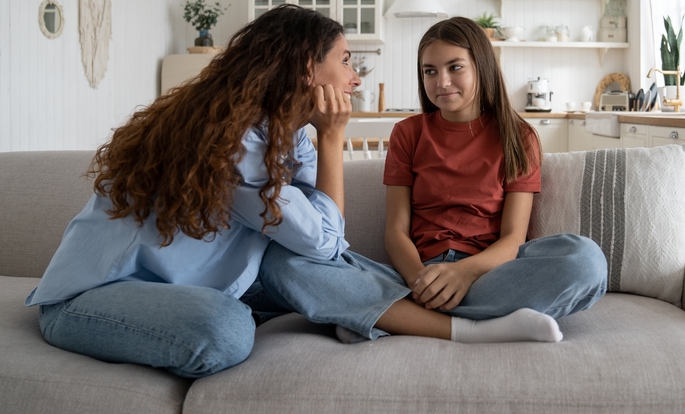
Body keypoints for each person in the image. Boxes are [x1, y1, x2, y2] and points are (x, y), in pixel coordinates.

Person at [25, 4, 362, 378]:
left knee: (299, 267)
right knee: (227, 330)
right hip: (91, 299)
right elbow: (324, 240)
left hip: (186, 289)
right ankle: (352, 311)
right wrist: (332, 137)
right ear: (306, 68)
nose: (356, 79)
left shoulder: (284, 133)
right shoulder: (235, 145)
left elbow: (323, 236)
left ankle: (386, 309)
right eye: (345, 61)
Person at [257, 17, 607, 345]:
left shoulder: (519, 136)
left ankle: (386, 316)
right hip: (412, 277)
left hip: (485, 275)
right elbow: (396, 232)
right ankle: (455, 324)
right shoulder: (408, 133)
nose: (441, 82)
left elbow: (513, 238)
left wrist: (463, 274)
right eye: (430, 71)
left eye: (455, 67)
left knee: (585, 259)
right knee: (282, 262)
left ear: (482, 67)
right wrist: (419, 280)